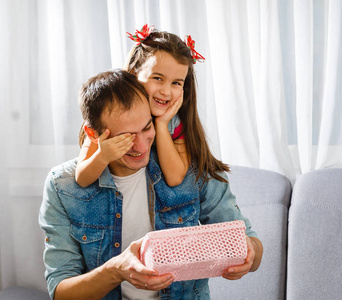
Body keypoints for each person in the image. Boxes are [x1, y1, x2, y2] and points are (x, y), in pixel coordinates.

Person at [39, 69, 262, 299]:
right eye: (125, 138)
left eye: (146, 128)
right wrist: (115, 271)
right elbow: (61, 292)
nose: (141, 147)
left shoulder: (187, 166)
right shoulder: (62, 185)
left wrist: (250, 252)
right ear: (93, 134)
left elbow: (255, 247)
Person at [75, 24, 219, 188]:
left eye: (176, 83)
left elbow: (174, 178)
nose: (166, 92)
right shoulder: (109, 113)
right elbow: (82, 178)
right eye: (157, 78)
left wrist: (162, 125)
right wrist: (102, 156)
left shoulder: (175, 123)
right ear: (134, 72)